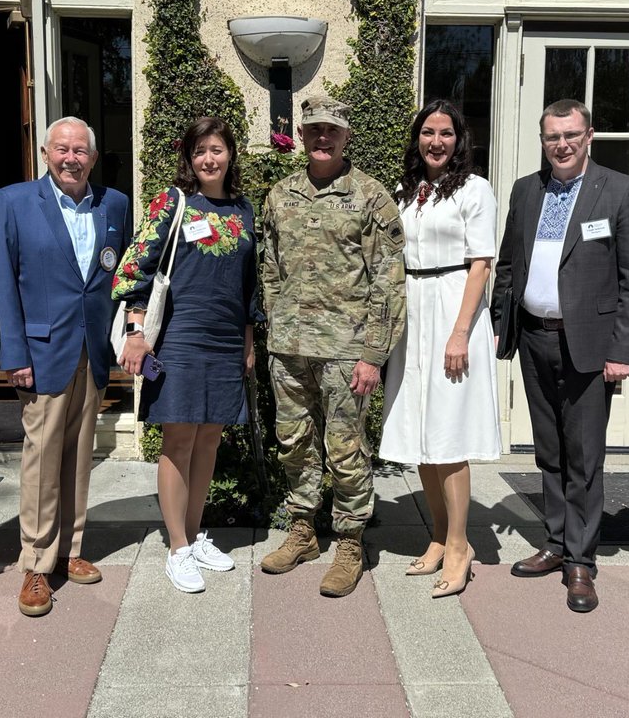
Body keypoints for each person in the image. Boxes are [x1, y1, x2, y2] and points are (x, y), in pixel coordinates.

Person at [491, 99, 629, 613]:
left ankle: (581, 560)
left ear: (589, 136)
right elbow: (509, 264)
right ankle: (557, 543)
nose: (561, 144)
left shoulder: (620, 191)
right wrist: (503, 323)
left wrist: (624, 349)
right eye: (552, 136)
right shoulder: (526, 189)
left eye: (570, 135)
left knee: (584, 456)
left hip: (589, 346)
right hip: (535, 338)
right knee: (549, 451)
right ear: (542, 140)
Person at [259, 93, 406, 598]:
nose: (323, 138)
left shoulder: (370, 196)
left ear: (346, 137)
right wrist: (276, 327)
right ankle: (302, 530)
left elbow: (388, 280)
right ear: (301, 136)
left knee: (345, 448)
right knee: (293, 442)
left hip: (347, 350)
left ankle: (349, 540)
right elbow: (270, 268)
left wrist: (373, 354)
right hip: (290, 346)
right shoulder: (280, 195)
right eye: (314, 130)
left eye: (332, 131)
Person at [0, 116, 129, 617]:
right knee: (42, 459)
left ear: (92, 157)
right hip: (41, 352)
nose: (71, 158)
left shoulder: (115, 204)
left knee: (78, 455)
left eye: (81, 151)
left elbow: (121, 277)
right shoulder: (13, 201)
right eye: (62, 149)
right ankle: (36, 564)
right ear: (45, 153)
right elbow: (2, 284)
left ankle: (70, 550)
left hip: (92, 350)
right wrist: (13, 355)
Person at [112, 117, 261, 593]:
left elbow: (247, 285)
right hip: (178, 337)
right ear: (189, 158)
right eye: (200, 151)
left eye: (217, 149)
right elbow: (137, 263)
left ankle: (195, 537)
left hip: (223, 342)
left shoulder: (243, 210)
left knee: (210, 440)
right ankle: (177, 547)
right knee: (178, 442)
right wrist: (137, 332)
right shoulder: (173, 202)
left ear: (231, 154)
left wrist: (248, 340)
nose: (209, 159)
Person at [381, 100, 500, 598]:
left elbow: (481, 264)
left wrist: (459, 332)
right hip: (414, 311)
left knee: (449, 434)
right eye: (428, 132)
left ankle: (459, 545)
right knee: (423, 433)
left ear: (459, 139)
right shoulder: (407, 192)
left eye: (445, 134)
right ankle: (436, 534)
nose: (436, 142)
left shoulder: (476, 190)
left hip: (454, 308)